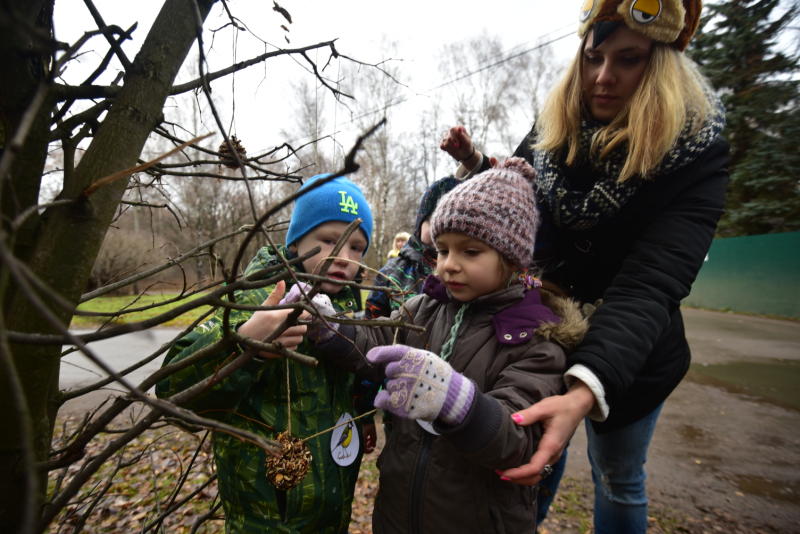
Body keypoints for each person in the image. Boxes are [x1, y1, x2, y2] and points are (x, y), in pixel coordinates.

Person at [441, 1, 729, 532]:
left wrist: (583, 390)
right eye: (593, 56)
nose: (603, 77)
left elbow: (652, 281)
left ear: (660, 63)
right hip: (542, 338)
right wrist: (479, 171)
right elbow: (517, 200)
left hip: (633, 354)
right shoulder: (553, 129)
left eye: (629, 59)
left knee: (618, 475)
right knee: (534, 464)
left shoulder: (697, 153)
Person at [292, 158, 588, 533]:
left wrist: (459, 402)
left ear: (512, 257)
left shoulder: (535, 334)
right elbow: (377, 341)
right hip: (399, 516)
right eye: (443, 250)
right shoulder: (425, 306)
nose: (449, 265)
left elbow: (518, 440)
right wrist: (330, 326)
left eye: (470, 252)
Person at [156, 174, 376, 533]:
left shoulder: (346, 311)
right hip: (267, 519)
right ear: (296, 242)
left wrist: (362, 412)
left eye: (356, 247)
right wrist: (247, 343)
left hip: (332, 512)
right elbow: (172, 393)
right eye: (328, 241)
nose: (344, 258)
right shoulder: (257, 298)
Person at [364, 176, 460, 319]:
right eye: (433, 221)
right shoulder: (392, 272)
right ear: (420, 224)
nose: (440, 230)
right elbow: (372, 324)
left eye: (451, 225)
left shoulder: (463, 270)